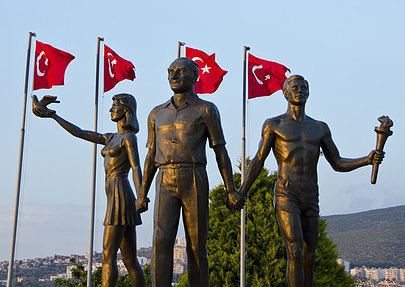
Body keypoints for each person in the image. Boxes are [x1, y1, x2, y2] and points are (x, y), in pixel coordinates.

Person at [239, 74, 384, 287]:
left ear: (309, 93)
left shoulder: (320, 128)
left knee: (310, 255)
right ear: (285, 93)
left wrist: (367, 160)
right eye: (295, 87)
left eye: (303, 87)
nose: (299, 90)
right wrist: (242, 191)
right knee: (295, 250)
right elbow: (259, 160)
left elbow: (337, 162)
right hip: (286, 192)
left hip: (310, 193)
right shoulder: (274, 124)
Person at [135, 57, 244, 287]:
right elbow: (151, 156)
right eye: (170, 71)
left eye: (180, 72)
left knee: (196, 246)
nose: (173, 76)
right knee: (161, 241)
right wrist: (142, 193)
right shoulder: (156, 113)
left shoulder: (206, 109)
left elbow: (220, 150)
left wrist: (230, 189)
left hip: (194, 177)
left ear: (195, 76)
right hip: (165, 179)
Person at [32, 93, 146, 287]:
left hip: (121, 193)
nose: (110, 109)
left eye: (115, 105)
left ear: (126, 110)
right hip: (115, 194)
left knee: (108, 255)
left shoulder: (128, 138)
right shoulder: (109, 137)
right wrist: (53, 116)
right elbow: (79, 132)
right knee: (129, 259)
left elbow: (136, 167)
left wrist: (141, 195)